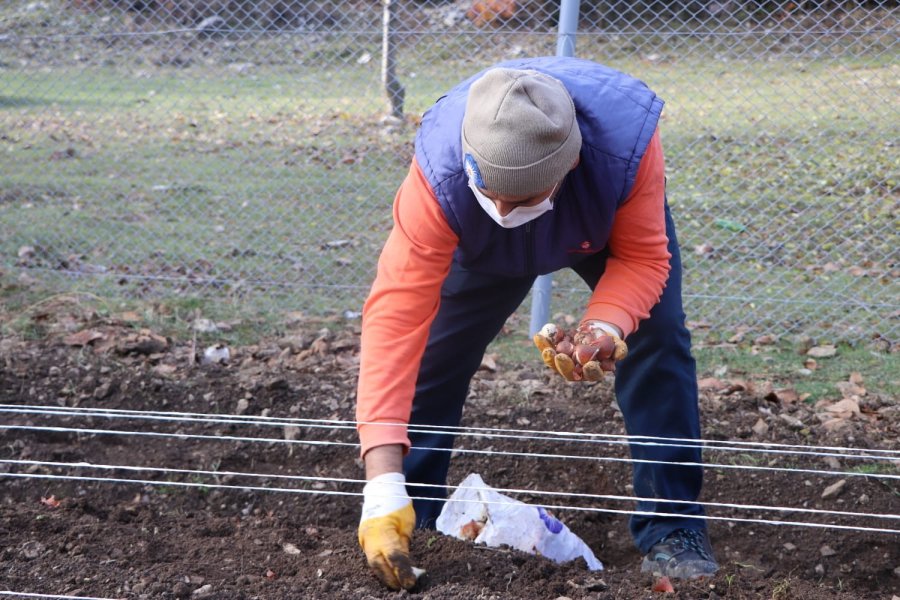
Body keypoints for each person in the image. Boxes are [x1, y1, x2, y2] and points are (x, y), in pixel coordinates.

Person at [355, 56, 718, 591]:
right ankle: (409, 513)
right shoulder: (442, 176)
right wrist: (380, 484)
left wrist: (606, 329)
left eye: (519, 199)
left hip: (599, 222)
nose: (502, 208)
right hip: (476, 244)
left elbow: (643, 259)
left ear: (566, 169)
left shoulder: (623, 150)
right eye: (490, 191)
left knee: (659, 341)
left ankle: (673, 531)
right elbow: (395, 320)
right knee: (434, 354)